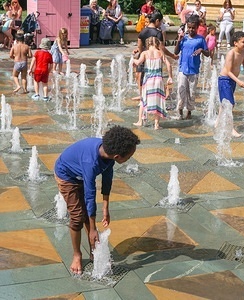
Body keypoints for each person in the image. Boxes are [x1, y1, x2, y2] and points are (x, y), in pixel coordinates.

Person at [54, 125, 140, 275]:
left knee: (88, 215)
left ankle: (94, 252)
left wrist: (106, 208)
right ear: (117, 157)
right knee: (77, 217)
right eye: (129, 157)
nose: (130, 159)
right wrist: (93, 228)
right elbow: (90, 193)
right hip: (66, 175)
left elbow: (107, 179)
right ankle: (77, 255)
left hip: (80, 173)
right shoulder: (91, 162)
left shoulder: (108, 153)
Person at [134, 10, 177, 99]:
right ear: (157, 21)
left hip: (143, 57)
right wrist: (172, 55)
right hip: (154, 59)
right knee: (155, 77)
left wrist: (141, 54)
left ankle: (142, 96)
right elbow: (162, 49)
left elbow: (139, 47)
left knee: (141, 77)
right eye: (161, 22)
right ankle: (156, 95)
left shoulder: (142, 32)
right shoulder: (158, 33)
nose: (161, 24)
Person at [133, 37, 173, 129]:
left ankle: (140, 121)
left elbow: (138, 62)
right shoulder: (160, 53)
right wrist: (170, 77)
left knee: (143, 99)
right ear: (157, 43)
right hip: (158, 79)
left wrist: (133, 59)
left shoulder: (145, 53)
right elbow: (169, 64)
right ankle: (156, 124)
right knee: (158, 101)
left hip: (148, 79)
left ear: (147, 44)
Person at [174, 14, 209, 120]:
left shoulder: (200, 39)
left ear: (197, 28)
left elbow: (208, 53)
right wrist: (179, 40)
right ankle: (179, 110)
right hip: (183, 70)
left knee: (192, 92)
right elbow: (176, 52)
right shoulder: (184, 38)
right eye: (189, 27)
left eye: (193, 28)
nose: (191, 29)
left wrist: (202, 50)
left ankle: (189, 111)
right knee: (181, 91)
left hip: (194, 71)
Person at [217, 31, 244, 137]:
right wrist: (239, 81)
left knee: (224, 103)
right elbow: (228, 71)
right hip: (225, 79)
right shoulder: (231, 53)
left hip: (233, 81)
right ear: (235, 43)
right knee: (230, 104)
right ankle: (230, 128)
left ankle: (218, 122)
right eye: (243, 42)